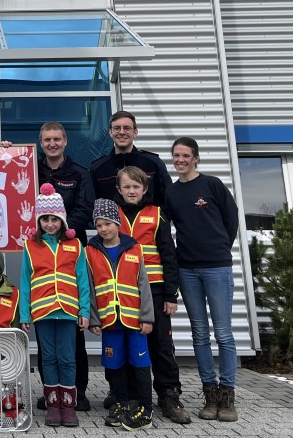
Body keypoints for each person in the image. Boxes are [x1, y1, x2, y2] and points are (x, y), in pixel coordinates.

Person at [164, 137, 240, 423]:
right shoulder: (171, 192)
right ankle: (210, 395)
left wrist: (219, 248)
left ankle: (228, 396)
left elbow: (231, 221)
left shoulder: (212, 185)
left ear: (195, 158)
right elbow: (167, 228)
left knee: (223, 334)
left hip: (217, 267)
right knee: (199, 334)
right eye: (176, 155)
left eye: (185, 155)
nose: (180, 160)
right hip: (187, 269)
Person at [115, 166, 190, 424]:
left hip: (157, 291)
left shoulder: (157, 215)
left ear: (145, 189)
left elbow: (169, 256)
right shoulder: (112, 215)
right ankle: (133, 395)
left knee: (161, 345)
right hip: (124, 291)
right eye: (127, 187)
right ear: (119, 190)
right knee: (131, 344)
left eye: (136, 186)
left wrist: (171, 294)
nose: (132, 191)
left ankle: (169, 395)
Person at [34, 121, 95, 411]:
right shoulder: (30, 169)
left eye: (57, 139)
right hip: (42, 251)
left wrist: (66, 230)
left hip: (71, 250)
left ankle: (77, 391)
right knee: (47, 334)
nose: (52, 143)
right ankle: (50, 393)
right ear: (41, 142)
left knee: (73, 333)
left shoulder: (80, 173)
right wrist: (6, 152)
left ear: (65, 141)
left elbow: (85, 208)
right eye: (47, 139)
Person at [20, 184, 90, 428]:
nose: (50, 224)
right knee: (48, 358)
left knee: (68, 358)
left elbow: (83, 280)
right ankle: (52, 405)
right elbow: (25, 282)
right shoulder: (31, 246)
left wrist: (85, 311)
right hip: (43, 312)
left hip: (69, 311)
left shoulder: (75, 245)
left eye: (54, 219)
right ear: (39, 221)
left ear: (62, 220)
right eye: (45, 219)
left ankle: (68, 406)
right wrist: (24, 313)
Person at [86, 198, 155, 431]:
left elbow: (143, 285)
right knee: (114, 364)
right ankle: (121, 404)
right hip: (109, 321)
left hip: (134, 320)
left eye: (108, 223)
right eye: (98, 225)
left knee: (140, 363)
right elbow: (90, 289)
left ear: (117, 223)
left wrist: (147, 316)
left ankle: (146, 408)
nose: (103, 229)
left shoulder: (134, 248)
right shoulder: (90, 251)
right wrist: (94, 318)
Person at [90, 111, 172, 204]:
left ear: (135, 132)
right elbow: (91, 204)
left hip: (147, 218)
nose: (121, 132)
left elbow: (168, 198)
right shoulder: (98, 168)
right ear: (110, 132)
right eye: (117, 128)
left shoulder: (153, 163)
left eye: (127, 128)